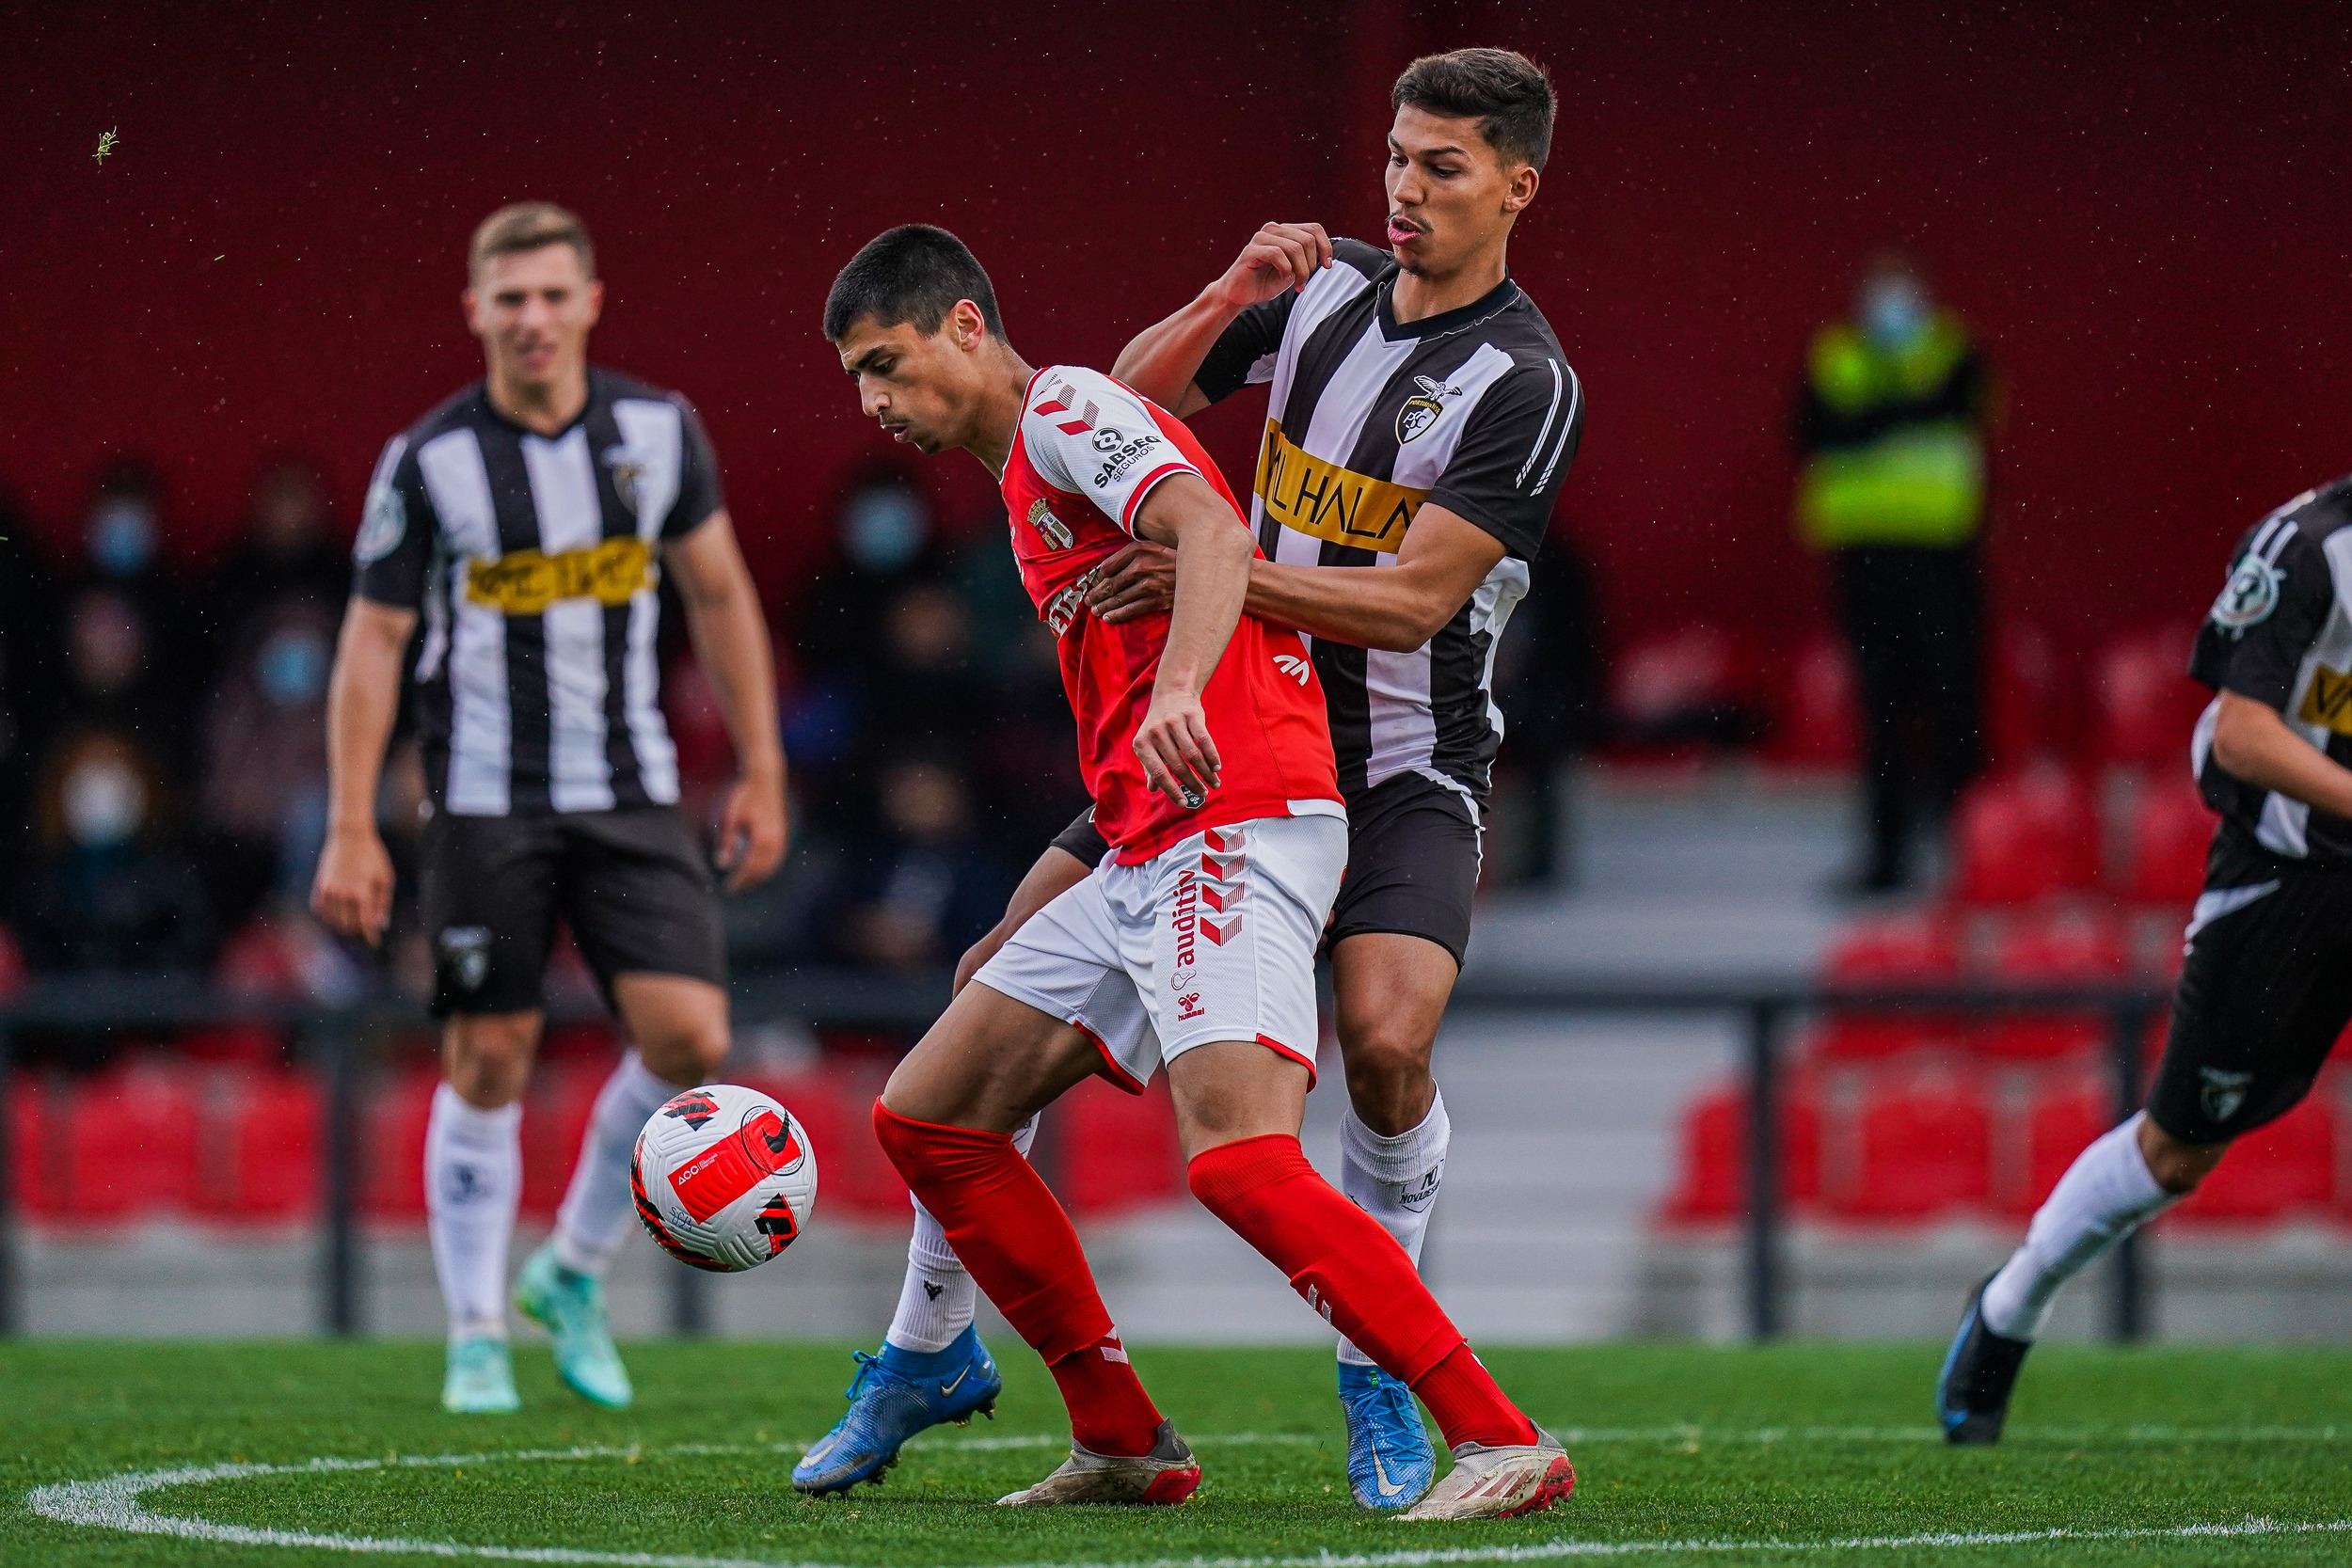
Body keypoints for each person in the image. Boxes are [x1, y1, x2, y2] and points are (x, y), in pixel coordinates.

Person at [798, 48, 1583, 1514]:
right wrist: (1227, 298)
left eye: (1442, 167)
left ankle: (1442, 1403)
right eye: (1396, 159)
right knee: (941, 1090)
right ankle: (1042, 1396)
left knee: (1364, 1058)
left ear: (1515, 186)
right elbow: (1119, 410)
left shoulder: (1522, 382)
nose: (1404, 190)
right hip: (1192, 763)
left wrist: (1184, 655)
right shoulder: (1310, 299)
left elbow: (1390, 595)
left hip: (1350, 752)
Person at [309, 202, 787, 1416]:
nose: (532, 318)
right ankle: (475, 1330)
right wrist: (351, 822)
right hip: (482, 800)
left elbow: (719, 594)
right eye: (510, 297)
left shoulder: (656, 431)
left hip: (629, 790)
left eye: (552, 295)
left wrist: (763, 764)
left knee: (691, 1038)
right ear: (475, 309)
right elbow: (373, 640)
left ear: (590, 302)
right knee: (488, 1055)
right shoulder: (429, 460)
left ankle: (570, 1268)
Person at [1938, 476, 2352, 1442]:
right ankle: (2010, 1305)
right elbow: (2243, 736)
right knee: (2177, 1148)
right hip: (2288, 882)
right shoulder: (2305, 548)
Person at [1795, 253, 1994, 893]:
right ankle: (1886, 859)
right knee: (1880, 716)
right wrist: (1908, 408)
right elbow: (1816, 432)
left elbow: (1961, 406)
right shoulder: (1835, 357)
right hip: (1866, 562)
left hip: (1943, 558)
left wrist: (1873, 417)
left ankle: (1973, 859)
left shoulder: (1955, 351)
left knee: (1955, 710)